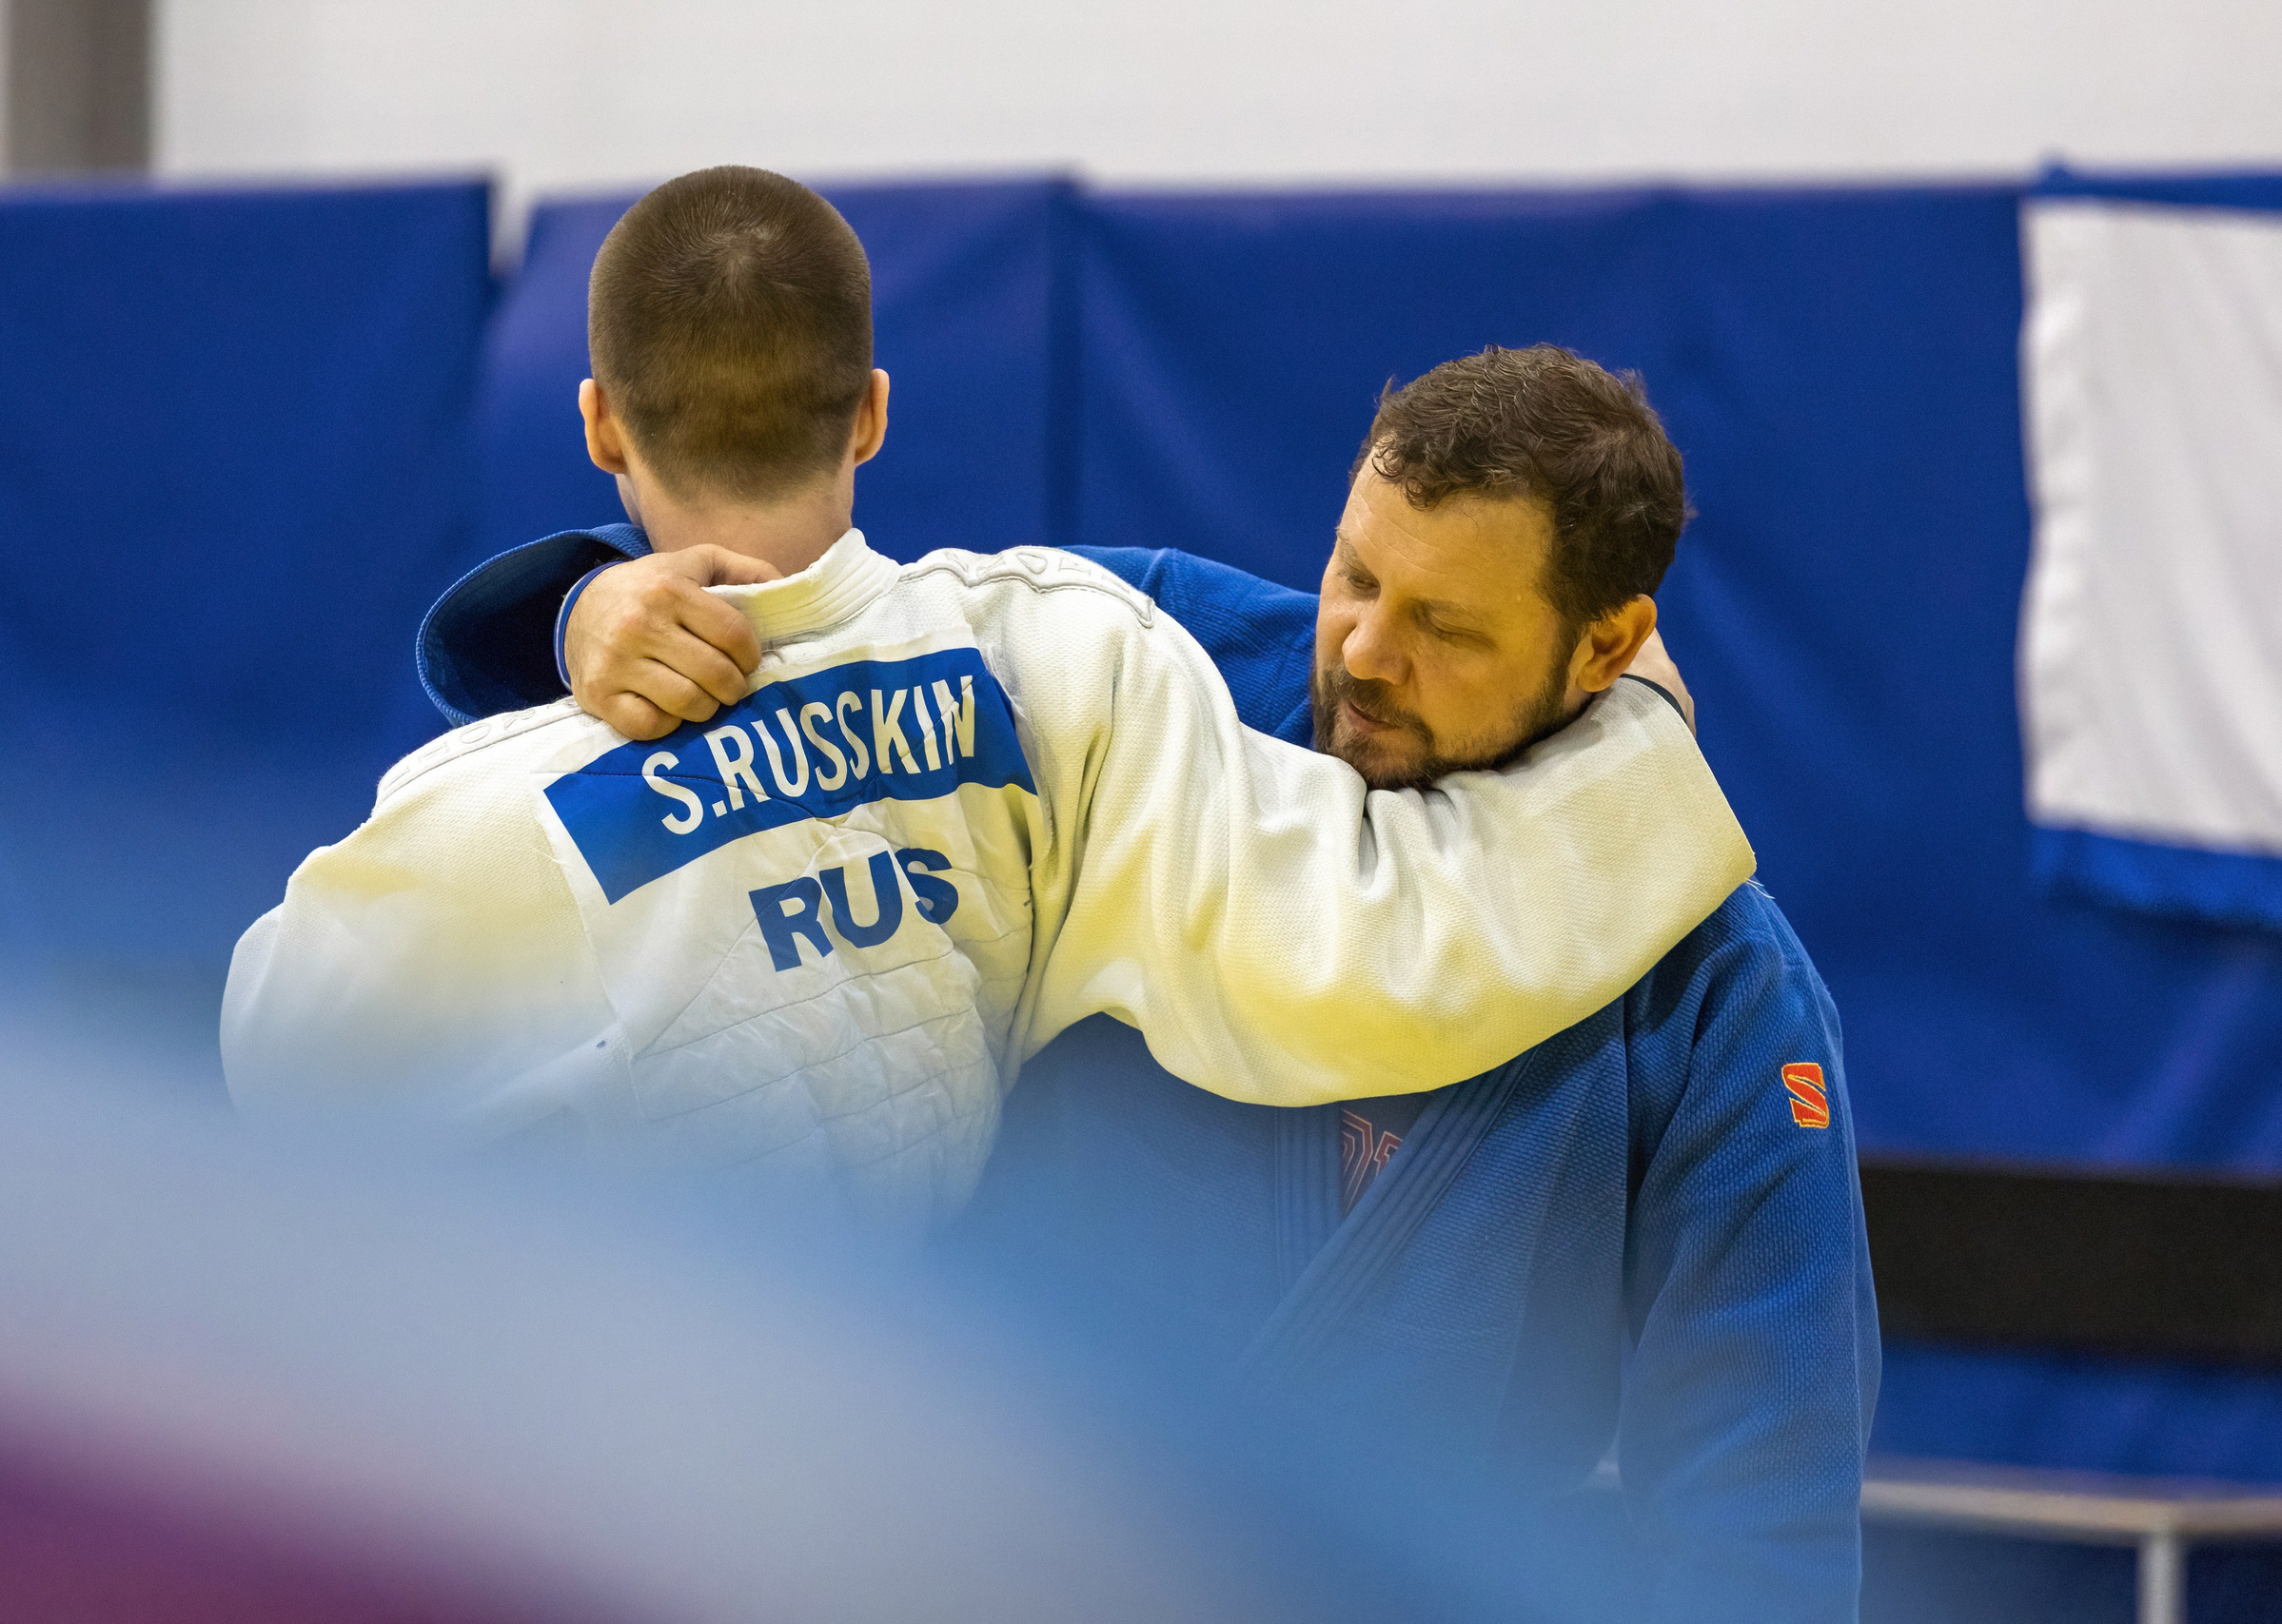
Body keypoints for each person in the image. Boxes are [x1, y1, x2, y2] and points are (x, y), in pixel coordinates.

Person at [423, 337, 1879, 1620]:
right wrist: (585, 614)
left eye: (1447, 626)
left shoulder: (1714, 986)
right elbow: (836, 649)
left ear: (1608, 648)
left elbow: (1759, 1515)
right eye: (1356, 574)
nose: (1366, 651)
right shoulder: (1142, 670)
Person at [221, 169, 1752, 1241]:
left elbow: (279, 1059)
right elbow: (1393, 940)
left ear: (600, 420)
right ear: (875, 408)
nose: (1362, 654)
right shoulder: (1059, 660)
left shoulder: (484, 812)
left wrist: (566, 616)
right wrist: (1640, 744)